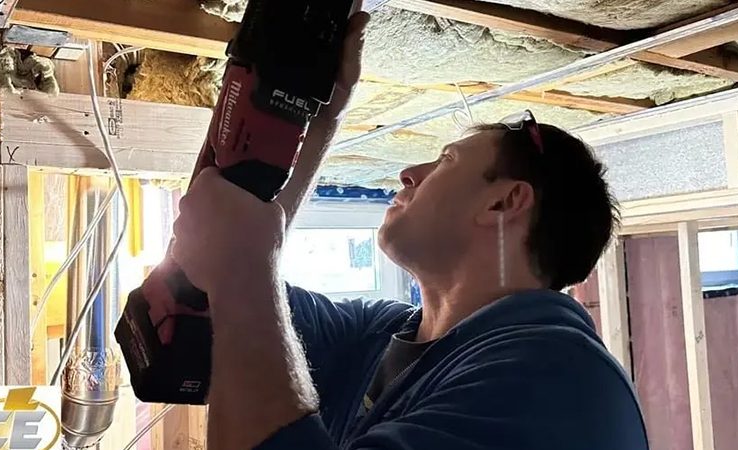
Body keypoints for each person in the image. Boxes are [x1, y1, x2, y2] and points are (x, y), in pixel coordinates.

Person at [168, 9, 649, 450]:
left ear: (503, 202)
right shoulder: (379, 333)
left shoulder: (559, 383)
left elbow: (236, 275)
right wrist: (311, 115)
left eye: (446, 159)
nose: (408, 173)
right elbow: (200, 304)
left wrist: (242, 269)